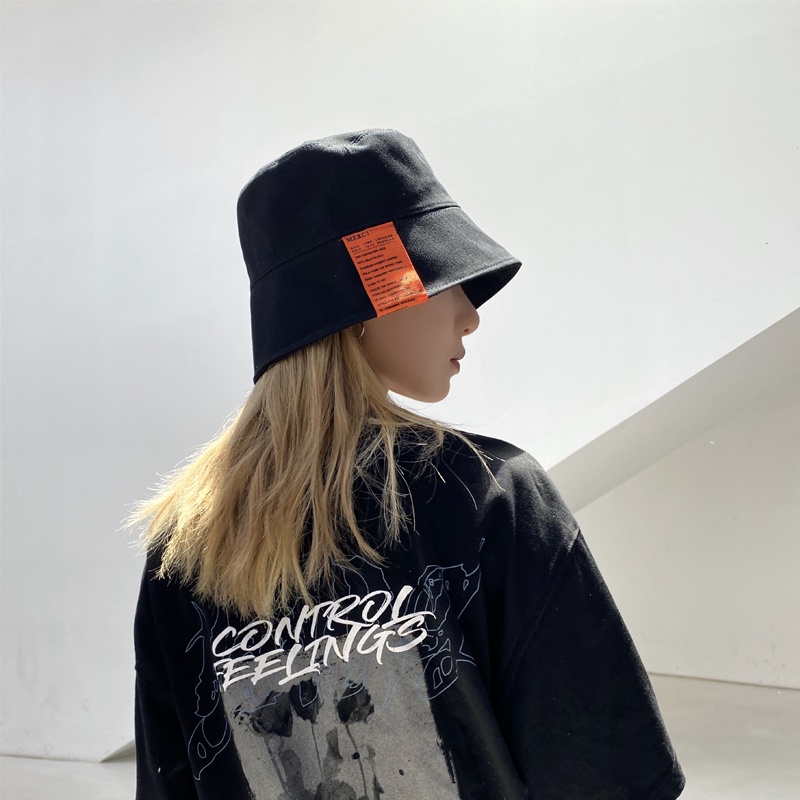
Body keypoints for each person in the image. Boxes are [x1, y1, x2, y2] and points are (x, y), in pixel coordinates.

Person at [132, 129, 685, 800]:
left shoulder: (184, 546)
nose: (469, 316)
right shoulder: (490, 495)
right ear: (361, 308)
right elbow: (602, 771)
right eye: (442, 282)